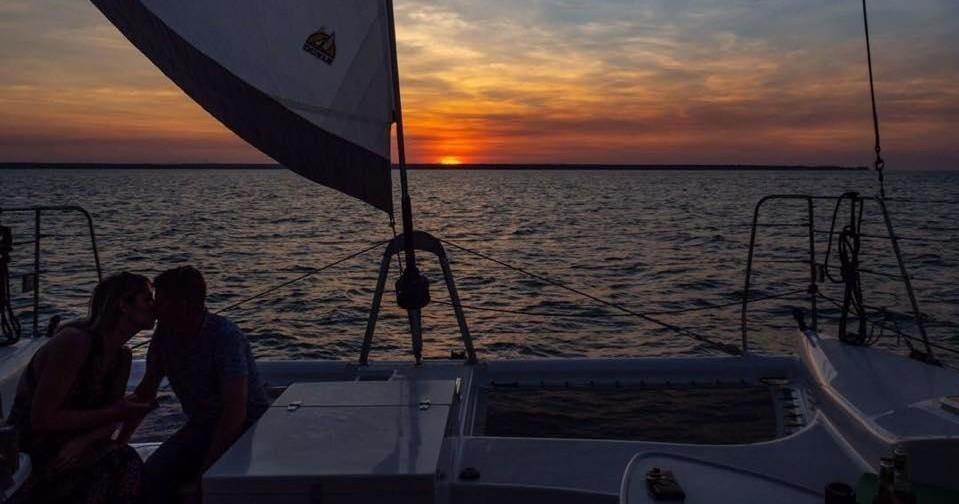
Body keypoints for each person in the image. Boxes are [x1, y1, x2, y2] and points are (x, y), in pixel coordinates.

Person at [7, 272, 157, 504]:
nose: (154, 306)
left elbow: (110, 420)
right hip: (34, 445)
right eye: (147, 299)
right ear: (123, 304)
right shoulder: (75, 342)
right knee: (115, 467)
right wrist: (118, 412)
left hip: (78, 442)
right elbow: (41, 419)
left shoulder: (121, 357)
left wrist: (85, 441)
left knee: (125, 462)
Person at [129, 266, 268, 503]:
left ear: (182, 304)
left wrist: (206, 472)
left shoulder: (225, 337)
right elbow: (146, 392)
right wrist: (116, 440)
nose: (154, 308)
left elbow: (235, 412)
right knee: (150, 476)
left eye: (160, 301)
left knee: (210, 484)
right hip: (202, 426)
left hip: (248, 427)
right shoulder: (164, 335)